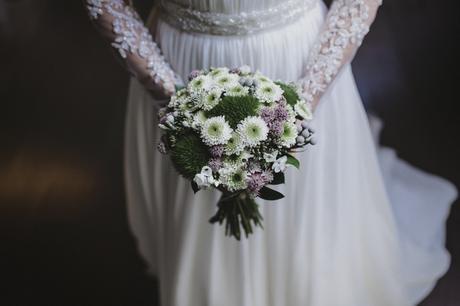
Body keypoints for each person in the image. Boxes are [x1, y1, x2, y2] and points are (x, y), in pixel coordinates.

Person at [85, 0, 457, 305]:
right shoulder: (173, 89)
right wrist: (171, 95)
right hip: (180, 63)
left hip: (296, 60)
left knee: (303, 206)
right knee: (199, 207)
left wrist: (303, 101)